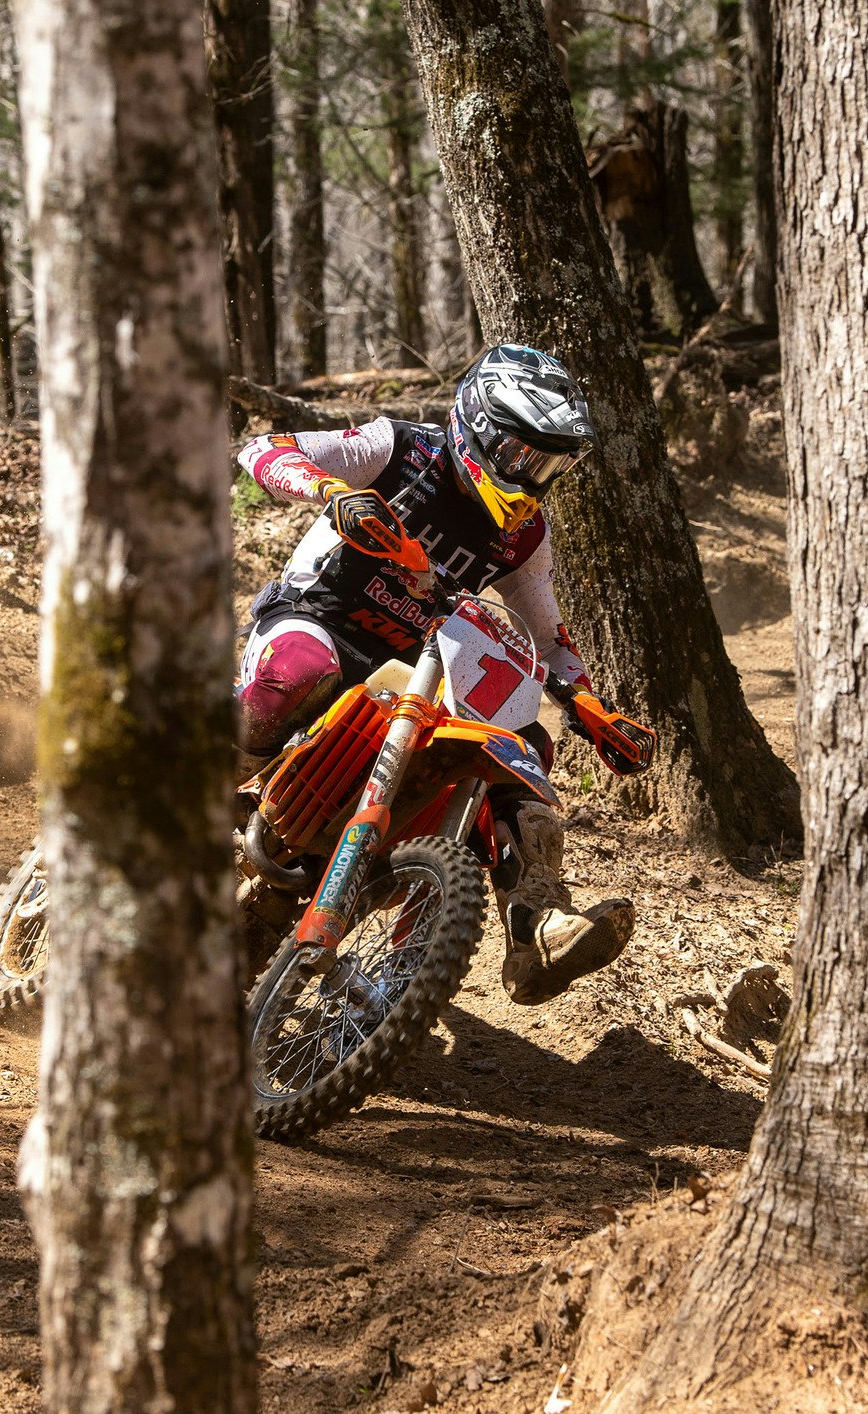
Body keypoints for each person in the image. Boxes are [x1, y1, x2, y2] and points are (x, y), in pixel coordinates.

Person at [234, 344, 655, 1005]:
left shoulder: (523, 536)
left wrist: (589, 706)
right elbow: (263, 448)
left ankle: (532, 925)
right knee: (300, 672)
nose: (533, 476)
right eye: (523, 456)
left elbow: (548, 635)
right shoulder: (398, 449)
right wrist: (333, 492)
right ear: (479, 430)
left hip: (411, 672)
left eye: (548, 464)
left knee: (522, 749)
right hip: (318, 622)